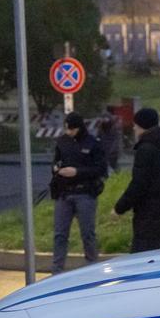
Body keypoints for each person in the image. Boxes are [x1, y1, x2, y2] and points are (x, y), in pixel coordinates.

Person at [113, 108, 160, 252]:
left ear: (142, 126)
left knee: (144, 260)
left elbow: (139, 184)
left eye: (136, 124)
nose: (134, 128)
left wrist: (119, 208)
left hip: (149, 216)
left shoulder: (146, 150)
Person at [50, 113, 107, 273]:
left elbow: (100, 169)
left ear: (79, 127)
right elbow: (56, 161)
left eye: (72, 129)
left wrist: (77, 172)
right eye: (67, 129)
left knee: (87, 233)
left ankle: (92, 266)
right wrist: (56, 168)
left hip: (85, 193)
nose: (69, 132)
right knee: (60, 233)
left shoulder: (93, 143)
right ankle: (57, 270)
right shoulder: (62, 142)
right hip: (64, 193)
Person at [98, 106, 122, 173]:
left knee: (113, 165)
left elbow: (116, 140)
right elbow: (98, 138)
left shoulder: (114, 128)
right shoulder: (101, 128)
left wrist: (113, 150)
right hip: (104, 150)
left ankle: (118, 176)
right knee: (105, 165)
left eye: (106, 118)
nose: (104, 120)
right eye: (103, 118)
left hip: (112, 152)